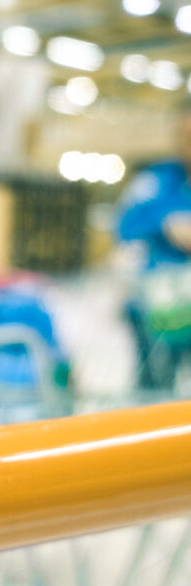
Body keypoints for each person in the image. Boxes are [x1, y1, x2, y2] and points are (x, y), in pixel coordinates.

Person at [117, 101, 191, 390]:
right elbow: (125, 223)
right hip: (157, 304)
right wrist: (167, 223)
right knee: (154, 383)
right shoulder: (157, 180)